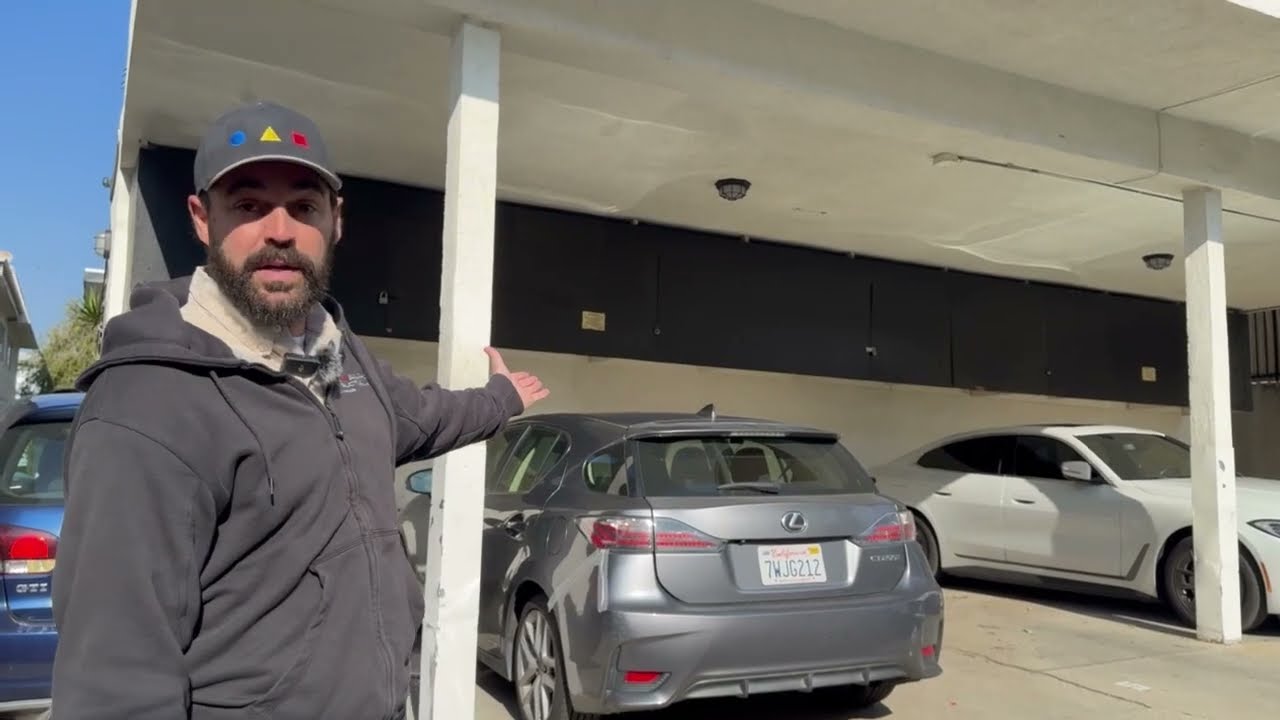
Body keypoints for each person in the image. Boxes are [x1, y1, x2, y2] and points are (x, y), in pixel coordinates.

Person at [49, 100, 549, 720]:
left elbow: (421, 417)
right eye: (250, 206)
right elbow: (114, 679)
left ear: (335, 222)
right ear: (202, 219)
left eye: (304, 207)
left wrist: (503, 399)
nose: (279, 231)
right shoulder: (150, 404)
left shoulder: (339, 356)